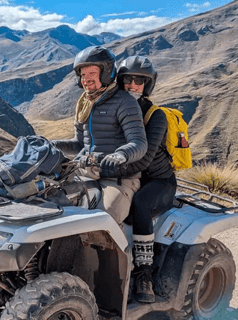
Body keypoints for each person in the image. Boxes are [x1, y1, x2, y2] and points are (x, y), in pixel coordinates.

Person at [52, 46, 148, 225]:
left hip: (119, 178)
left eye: (91, 73)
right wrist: (53, 145)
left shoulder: (125, 103)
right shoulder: (84, 104)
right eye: (82, 74)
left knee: (103, 220)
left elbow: (139, 143)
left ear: (106, 73)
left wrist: (120, 155)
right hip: (87, 172)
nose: (86, 79)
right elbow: (80, 144)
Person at [117, 55, 177, 303]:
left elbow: (145, 159)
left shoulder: (156, 116)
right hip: (132, 175)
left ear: (148, 85)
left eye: (139, 81)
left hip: (158, 181)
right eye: (128, 80)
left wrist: (110, 169)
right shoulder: (117, 109)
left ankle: (144, 274)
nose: (133, 85)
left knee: (140, 204)